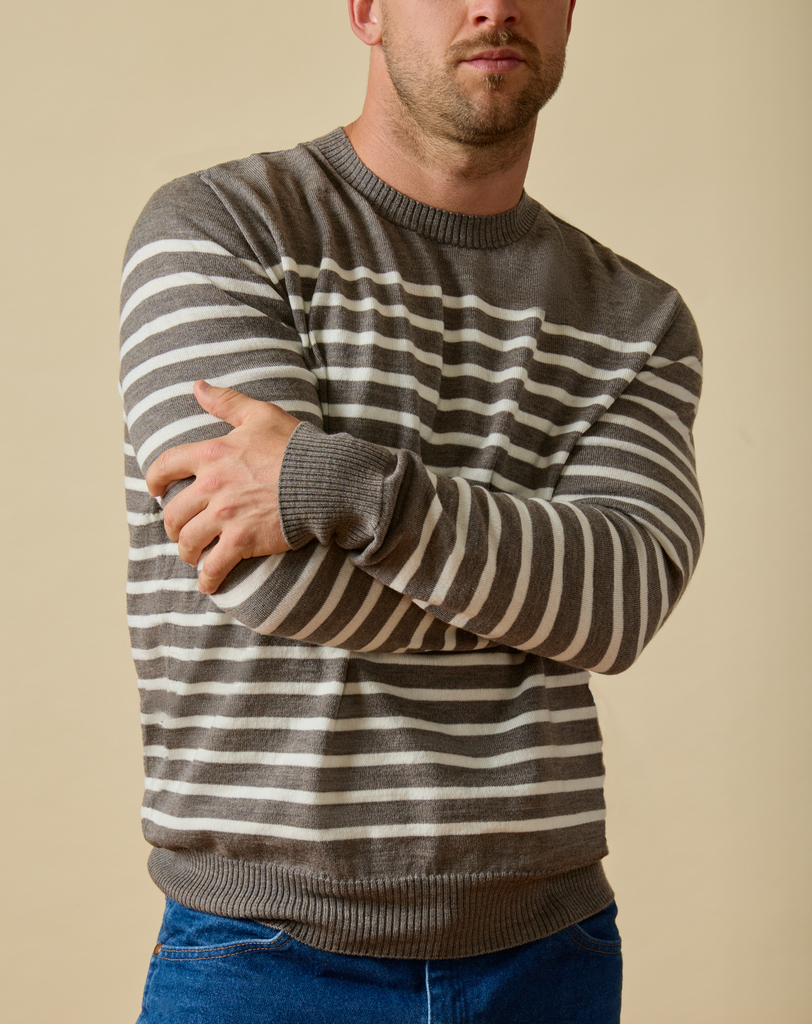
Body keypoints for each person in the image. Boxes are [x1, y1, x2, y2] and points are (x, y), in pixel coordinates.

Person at [120, 1, 703, 1020]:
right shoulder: (220, 226)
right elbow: (273, 580)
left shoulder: (638, 317)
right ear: (366, 10)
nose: (493, 7)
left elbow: (618, 604)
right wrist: (536, 597)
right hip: (261, 953)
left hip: (547, 956)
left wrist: (334, 486)